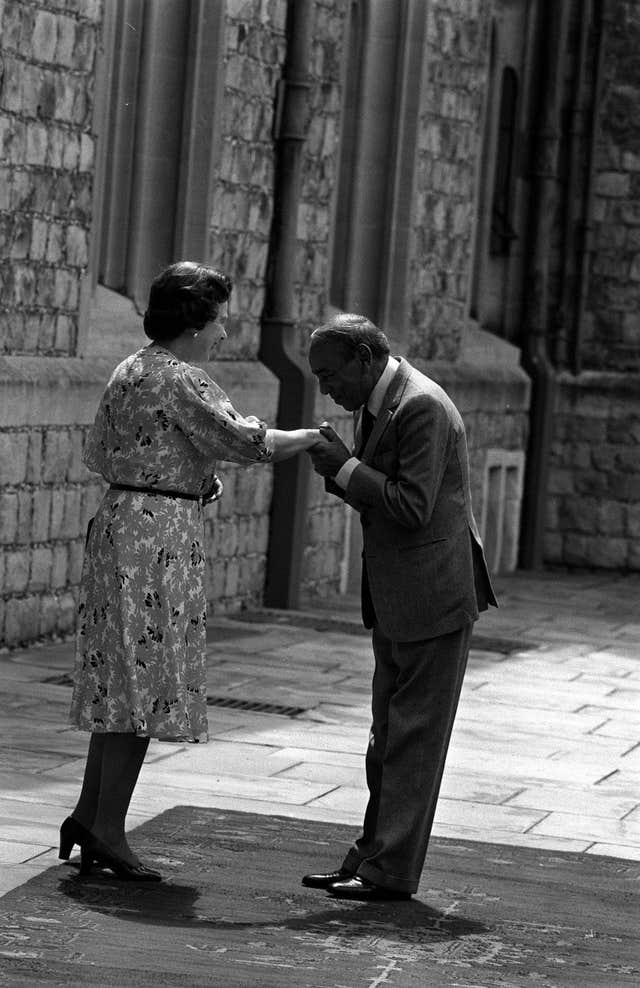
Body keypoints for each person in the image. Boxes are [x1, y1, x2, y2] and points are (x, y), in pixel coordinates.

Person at [61, 261, 320, 881]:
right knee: (142, 684)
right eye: (220, 320)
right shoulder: (182, 379)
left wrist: (176, 478)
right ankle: (107, 828)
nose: (225, 333)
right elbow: (245, 440)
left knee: (117, 680)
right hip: (158, 540)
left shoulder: (130, 369)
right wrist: (311, 437)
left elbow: (98, 452)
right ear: (195, 324)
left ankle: (88, 813)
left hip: (120, 521)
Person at [302, 313, 497, 901]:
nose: (324, 389)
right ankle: (371, 858)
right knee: (386, 737)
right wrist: (343, 469)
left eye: (329, 374)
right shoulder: (380, 401)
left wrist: (343, 467)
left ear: (365, 358)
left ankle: (390, 872)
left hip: (432, 599)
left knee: (412, 741)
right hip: (397, 597)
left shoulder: (422, 407)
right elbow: (381, 490)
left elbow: (411, 505)